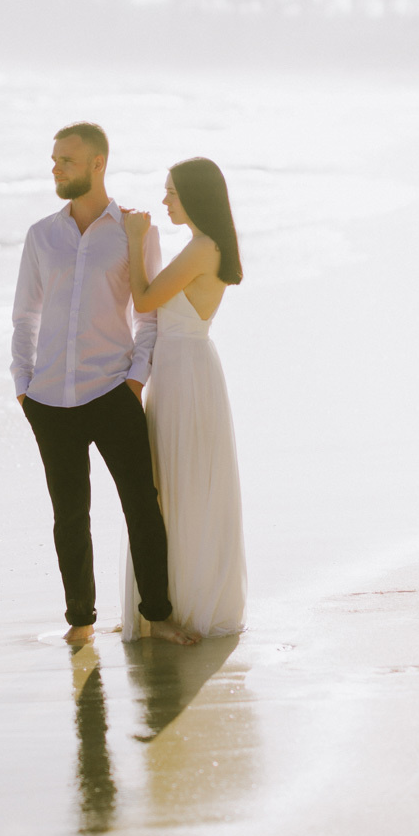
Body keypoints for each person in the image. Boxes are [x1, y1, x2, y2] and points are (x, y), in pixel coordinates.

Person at [12, 123, 197, 646]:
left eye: (66, 160)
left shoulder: (134, 230)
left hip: (112, 391)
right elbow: (24, 315)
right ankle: (81, 623)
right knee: (69, 517)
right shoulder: (41, 235)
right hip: (48, 399)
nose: (55, 169)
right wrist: (23, 384)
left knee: (142, 505)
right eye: (53, 160)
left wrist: (136, 379)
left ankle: (158, 616)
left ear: (97, 164)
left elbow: (150, 312)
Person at [121, 158, 247, 639]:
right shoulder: (203, 246)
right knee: (175, 482)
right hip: (182, 371)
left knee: (180, 483)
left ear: (193, 196)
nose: (165, 200)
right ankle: (170, 598)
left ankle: (185, 603)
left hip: (185, 374)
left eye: (171, 192)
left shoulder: (202, 248)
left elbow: (146, 300)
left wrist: (135, 243)